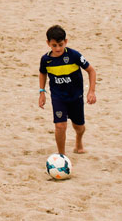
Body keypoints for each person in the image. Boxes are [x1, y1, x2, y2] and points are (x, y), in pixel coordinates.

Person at [38, 24, 96, 155]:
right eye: (54, 45)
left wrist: (91, 91)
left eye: (60, 44)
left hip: (75, 97)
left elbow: (91, 71)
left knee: (79, 127)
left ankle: (78, 142)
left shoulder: (74, 55)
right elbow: (42, 73)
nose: (58, 48)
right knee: (60, 126)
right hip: (58, 97)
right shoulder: (46, 60)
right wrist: (42, 92)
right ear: (48, 43)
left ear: (66, 42)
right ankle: (62, 156)